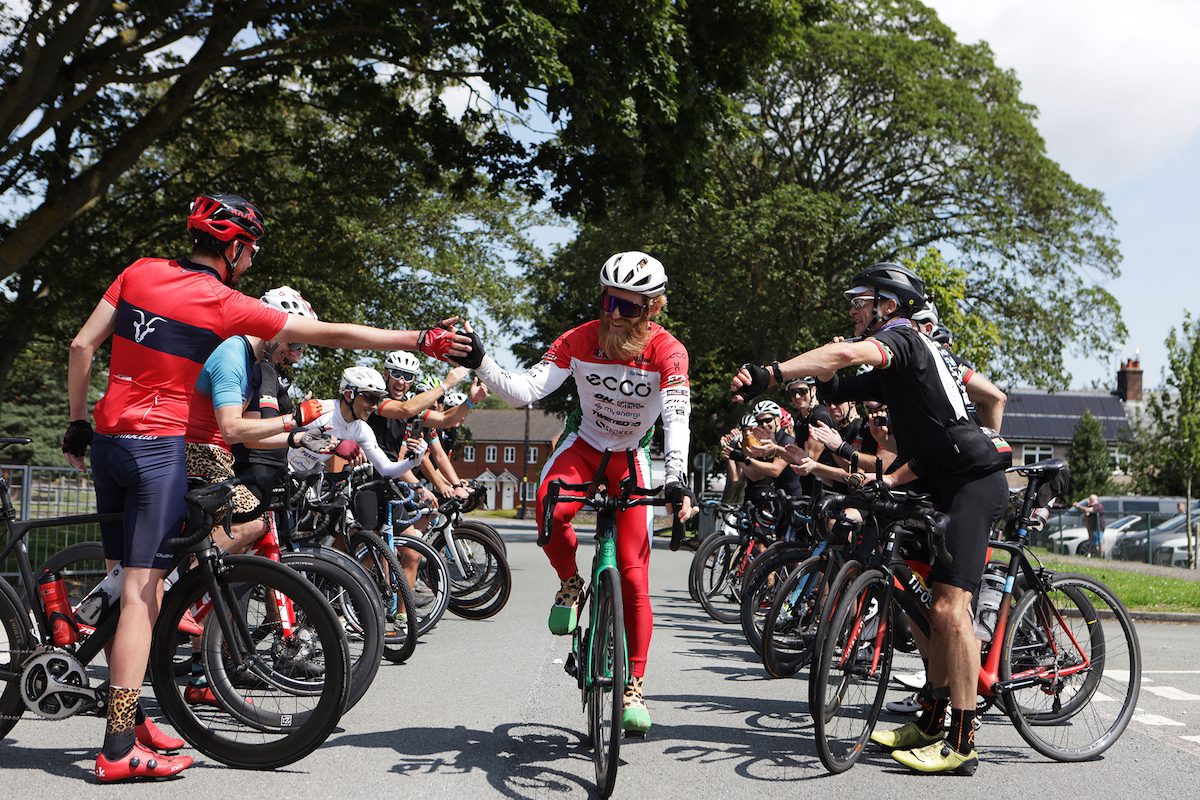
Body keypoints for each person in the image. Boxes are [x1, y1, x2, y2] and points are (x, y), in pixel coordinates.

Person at [62, 193, 472, 783]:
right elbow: (333, 332)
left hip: (107, 443)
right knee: (138, 597)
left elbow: (81, 347)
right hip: (159, 450)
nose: (251, 259)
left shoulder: (138, 272)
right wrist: (417, 340)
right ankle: (118, 747)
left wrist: (78, 422)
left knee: (119, 590)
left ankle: (125, 715)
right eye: (249, 249)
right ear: (232, 247)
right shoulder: (225, 303)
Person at [730, 262, 1009, 776]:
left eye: (860, 299)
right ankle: (930, 716)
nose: (852, 308)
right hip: (933, 476)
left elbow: (839, 354)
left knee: (950, 607)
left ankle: (963, 741)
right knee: (910, 590)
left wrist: (771, 371)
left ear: (888, 304)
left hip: (972, 480)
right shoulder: (893, 366)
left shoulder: (902, 339)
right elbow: (835, 386)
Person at [465, 250, 697, 734]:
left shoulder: (668, 352)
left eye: (629, 307)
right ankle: (571, 582)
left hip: (633, 455)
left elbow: (677, 415)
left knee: (634, 578)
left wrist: (675, 477)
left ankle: (634, 683)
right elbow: (524, 391)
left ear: (653, 308)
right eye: (609, 300)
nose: (614, 314)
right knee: (548, 507)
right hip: (586, 445)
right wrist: (481, 360)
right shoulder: (580, 338)